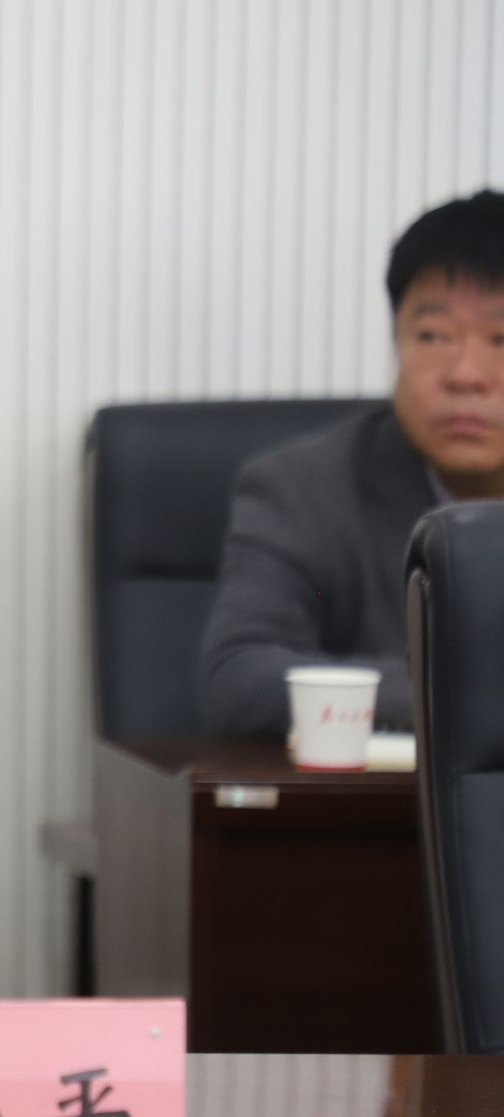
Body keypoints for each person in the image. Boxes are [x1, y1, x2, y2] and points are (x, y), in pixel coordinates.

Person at [201, 189, 504, 735]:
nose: (466, 375)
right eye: (433, 336)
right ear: (396, 341)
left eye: (501, 338)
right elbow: (238, 681)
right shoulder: (302, 489)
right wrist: (467, 694)